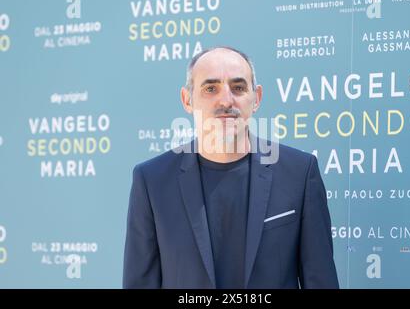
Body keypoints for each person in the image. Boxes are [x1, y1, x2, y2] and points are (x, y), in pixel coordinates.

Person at [123, 46, 339, 289]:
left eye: (238, 88)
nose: (226, 100)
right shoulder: (152, 181)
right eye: (210, 88)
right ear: (187, 100)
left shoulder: (299, 173)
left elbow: (321, 281)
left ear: (256, 98)